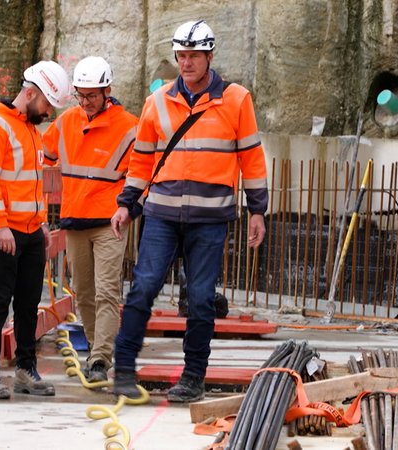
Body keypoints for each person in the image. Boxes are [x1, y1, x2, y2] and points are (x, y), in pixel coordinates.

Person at [110, 19, 268, 402]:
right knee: (143, 288)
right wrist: (126, 205)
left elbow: (252, 158)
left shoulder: (236, 100)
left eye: (194, 55)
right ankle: (124, 370)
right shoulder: (157, 101)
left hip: (210, 219)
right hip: (161, 214)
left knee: (200, 298)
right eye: (181, 55)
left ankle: (193, 377)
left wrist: (257, 211)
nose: (186, 62)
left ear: (210, 56)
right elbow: (141, 161)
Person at [0, 60, 70, 399]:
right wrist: (0, 225)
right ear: (30, 94)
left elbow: (32, 183)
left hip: (29, 230)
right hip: (2, 229)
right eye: (46, 104)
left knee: (29, 302)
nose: (48, 112)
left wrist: (41, 223)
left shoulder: (30, 130)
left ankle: (26, 369)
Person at [42, 56, 138, 383]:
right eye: (80, 96)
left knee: (106, 290)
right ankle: (97, 349)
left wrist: (128, 208)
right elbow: (43, 157)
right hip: (75, 219)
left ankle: (99, 358)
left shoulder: (129, 126)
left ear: (107, 91)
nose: (85, 102)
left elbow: (141, 173)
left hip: (110, 221)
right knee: (83, 291)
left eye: (91, 96)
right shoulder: (66, 121)